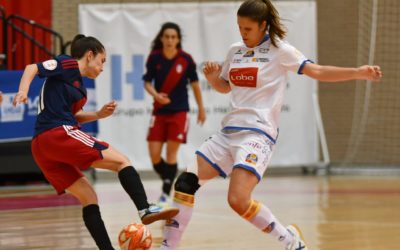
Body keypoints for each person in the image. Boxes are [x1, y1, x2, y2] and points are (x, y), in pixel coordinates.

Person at [159, 0, 382, 249]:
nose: (242, 34)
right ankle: (168, 247)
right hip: (228, 132)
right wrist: (213, 79)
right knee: (185, 183)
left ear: (263, 25)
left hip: (257, 133)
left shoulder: (280, 50)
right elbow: (225, 87)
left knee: (238, 200)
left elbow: (317, 71)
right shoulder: (235, 51)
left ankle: (290, 240)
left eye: (248, 29)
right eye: (239, 28)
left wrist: (357, 72)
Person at [12, 34, 179, 250]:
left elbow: (75, 116)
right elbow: (31, 67)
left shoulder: (79, 87)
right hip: (56, 133)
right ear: (89, 55)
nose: (102, 68)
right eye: (102, 61)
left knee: (89, 196)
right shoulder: (67, 63)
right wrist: (23, 92)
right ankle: (145, 208)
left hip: (42, 146)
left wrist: (98, 114)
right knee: (122, 161)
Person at [143, 22, 206, 206]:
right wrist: (156, 95)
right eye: (167, 36)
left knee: (171, 155)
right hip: (159, 111)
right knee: (154, 155)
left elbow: (195, 85)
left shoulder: (186, 60)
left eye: (173, 37)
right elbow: (147, 82)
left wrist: (201, 108)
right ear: (161, 38)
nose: (170, 40)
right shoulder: (154, 58)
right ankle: (171, 178)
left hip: (179, 112)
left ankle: (164, 194)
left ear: (178, 40)